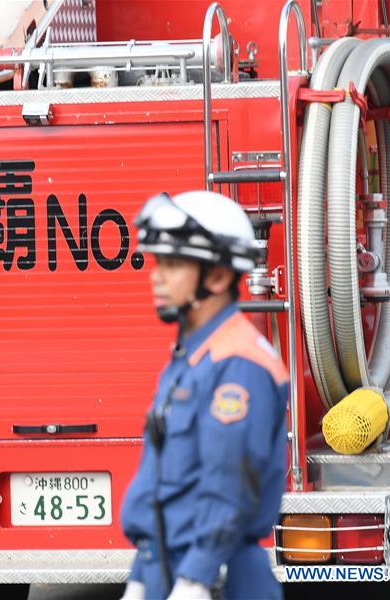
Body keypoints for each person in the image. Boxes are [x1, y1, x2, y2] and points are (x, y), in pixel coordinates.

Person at [119, 191, 289, 600]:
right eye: (159, 262)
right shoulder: (192, 359)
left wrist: (195, 579)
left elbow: (228, 486)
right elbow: (161, 486)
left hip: (217, 580)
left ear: (216, 277)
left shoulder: (239, 366)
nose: (156, 276)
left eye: (174, 264)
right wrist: (141, 577)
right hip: (170, 569)